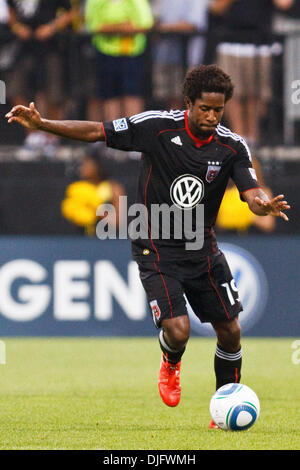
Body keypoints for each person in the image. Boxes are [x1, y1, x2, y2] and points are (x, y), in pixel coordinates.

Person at [5, 64, 290, 429]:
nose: (211, 116)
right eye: (205, 108)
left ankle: (223, 408)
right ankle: (171, 361)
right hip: (155, 243)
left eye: (218, 110)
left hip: (201, 246)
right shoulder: (157, 126)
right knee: (178, 330)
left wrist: (261, 204)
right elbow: (97, 131)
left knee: (231, 330)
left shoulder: (232, 146)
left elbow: (251, 191)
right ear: (189, 102)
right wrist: (43, 124)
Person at [209, 0, 294, 147]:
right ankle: (237, 137)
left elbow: (285, 4)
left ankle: (252, 140)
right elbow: (215, 9)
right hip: (231, 43)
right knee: (230, 94)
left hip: (259, 44)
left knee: (256, 95)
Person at [6, 0, 74, 149]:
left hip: (50, 48)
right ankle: (33, 136)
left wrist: (51, 28)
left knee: (53, 94)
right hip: (24, 48)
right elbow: (9, 11)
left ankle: (51, 137)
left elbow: (70, 12)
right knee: (14, 89)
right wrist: (17, 27)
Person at [84, 0, 154, 121]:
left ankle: (132, 135)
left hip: (132, 54)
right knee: (109, 97)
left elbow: (145, 24)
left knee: (132, 95)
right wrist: (125, 26)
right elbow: (94, 26)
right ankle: (114, 136)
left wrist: (110, 27)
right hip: (105, 54)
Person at [151, 0, 209, 110]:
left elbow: (192, 25)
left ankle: (188, 127)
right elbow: (152, 18)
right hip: (163, 54)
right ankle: (175, 126)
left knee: (189, 99)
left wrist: (164, 27)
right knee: (168, 100)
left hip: (188, 58)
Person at [61, 145, 125, 236]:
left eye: (86, 163)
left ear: (98, 165)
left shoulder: (113, 188)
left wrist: (96, 209)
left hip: (107, 241)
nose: (81, 168)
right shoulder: (77, 188)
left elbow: (120, 221)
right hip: (80, 240)